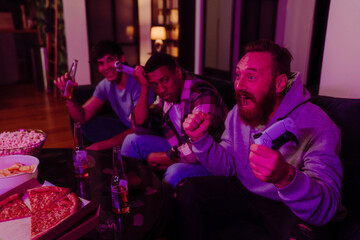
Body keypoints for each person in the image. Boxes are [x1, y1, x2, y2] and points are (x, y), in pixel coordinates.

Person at [176, 39, 343, 239]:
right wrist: (201, 139)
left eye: (251, 77)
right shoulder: (240, 111)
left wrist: (286, 177)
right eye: (238, 75)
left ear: (279, 83)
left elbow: (327, 207)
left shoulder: (320, 126)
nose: (238, 85)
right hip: (246, 194)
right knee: (187, 190)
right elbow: (228, 165)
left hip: (287, 206)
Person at [120, 53, 228, 188]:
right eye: (155, 85)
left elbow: (197, 150)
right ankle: (132, 194)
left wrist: (162, 157)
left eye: (165, 80)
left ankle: (161, 206)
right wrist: (144, 87)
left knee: (174, 172)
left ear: (177, 72)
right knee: (131, 141)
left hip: (212, 161)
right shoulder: (167, 97)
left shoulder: (202, 94)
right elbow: (140, 126)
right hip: (180, 147)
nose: (161, 89)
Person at [54, 40, 154, 151]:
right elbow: (82, 117)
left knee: (132, 136)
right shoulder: (105, 85)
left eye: (110, 60)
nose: (106, 67)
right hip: (126, 126)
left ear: (122, 58)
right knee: (86, 125)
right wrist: (69, 97)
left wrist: (98, 147)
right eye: (101, 63)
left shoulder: (138, 83)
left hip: (144, 132)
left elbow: (141, 128)